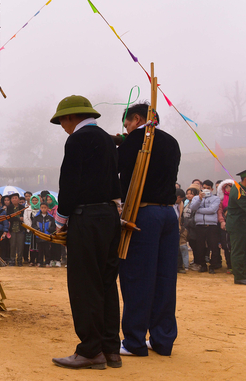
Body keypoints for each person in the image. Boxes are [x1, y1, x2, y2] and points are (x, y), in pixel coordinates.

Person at [48, 95, 123, 370]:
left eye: (62, 122)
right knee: (106, 282)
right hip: (109, 216)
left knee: (84, 284)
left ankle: (90, 350)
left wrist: (61, 220)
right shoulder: (107, 139)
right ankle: (110, 348)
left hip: (86, 217)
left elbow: (69, 182)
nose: (62, 127)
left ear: (71, 117)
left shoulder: (77, 139)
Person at [117, 103, 181, 358]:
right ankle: (163, 339)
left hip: (144, 213)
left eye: (127, 125)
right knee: (165, 278)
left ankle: (134, 341)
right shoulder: (172, 141)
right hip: (169, 214)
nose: (126, 130)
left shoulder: (138, 140)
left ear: (137, 118)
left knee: (137, 277)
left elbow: (120, 173)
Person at [188, 180, 221, 274]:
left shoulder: (216, 198)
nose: (206, 190)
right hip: (199, 225)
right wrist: (199, 199)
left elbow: (212, 210)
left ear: (212, 189)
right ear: (201, 188)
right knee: (200, 246)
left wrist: (200, 210)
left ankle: (213, 266)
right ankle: (202, 265)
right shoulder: (196, 198)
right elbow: (193, 208)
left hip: (212, 225)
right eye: (204, 188)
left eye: (208, 188)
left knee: (214, 246)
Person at [226, 169, 246, 285]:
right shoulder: (238, 191)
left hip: (242, 225)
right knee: (238, 251)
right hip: (237, 225)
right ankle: (239, 276)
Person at [217, 180, 234, 272]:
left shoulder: (237, 198)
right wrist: (222, 221)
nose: (229, 189)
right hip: (225, 224)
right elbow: (219, 212)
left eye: (230, 187)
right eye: (226, 187)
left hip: (236, 224)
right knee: (226, 246)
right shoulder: (221, 200)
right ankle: (229, 265)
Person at [7, 193, 24, 266]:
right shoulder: (9, 208)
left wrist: (20, 219)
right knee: (12, 245)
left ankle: (20, 260)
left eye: (16, 198)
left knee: (20, 246)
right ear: (11, 200)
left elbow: (24, 218)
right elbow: (9, 217)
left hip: (20, 229)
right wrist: (18, 218)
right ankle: (12, 260)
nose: (14, 199)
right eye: (13, 198)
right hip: (12, 229)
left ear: (18, 199)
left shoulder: (22, 207)